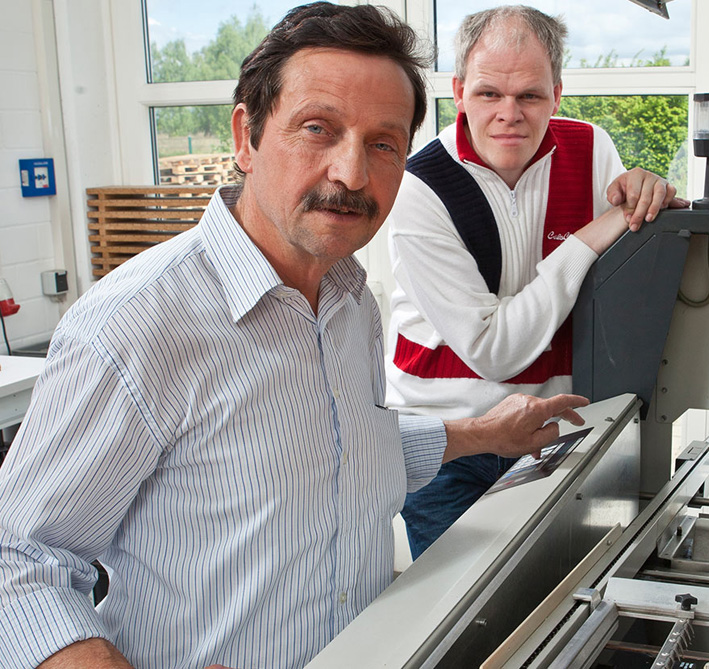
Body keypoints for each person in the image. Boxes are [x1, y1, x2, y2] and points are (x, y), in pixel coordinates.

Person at [0, 4, 587, 668]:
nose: (351, 174)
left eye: (383, 143)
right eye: (317, 129)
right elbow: (17, 559)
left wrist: (488, 433)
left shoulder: (350, 301)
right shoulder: (136, 323)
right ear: (245, 137)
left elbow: (339, 446)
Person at [386, 5, 689, 559]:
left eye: (529, 95)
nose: (510, 114)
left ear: (557, 94)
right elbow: (493, 350)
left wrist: (646, 193)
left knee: (559, 590)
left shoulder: (592, 149)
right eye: (488, 94)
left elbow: (622, 273)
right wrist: (591, 236)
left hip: (556, 431)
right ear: (458, 92)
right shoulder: (418, 188)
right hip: (449, 442)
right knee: (456, 603)